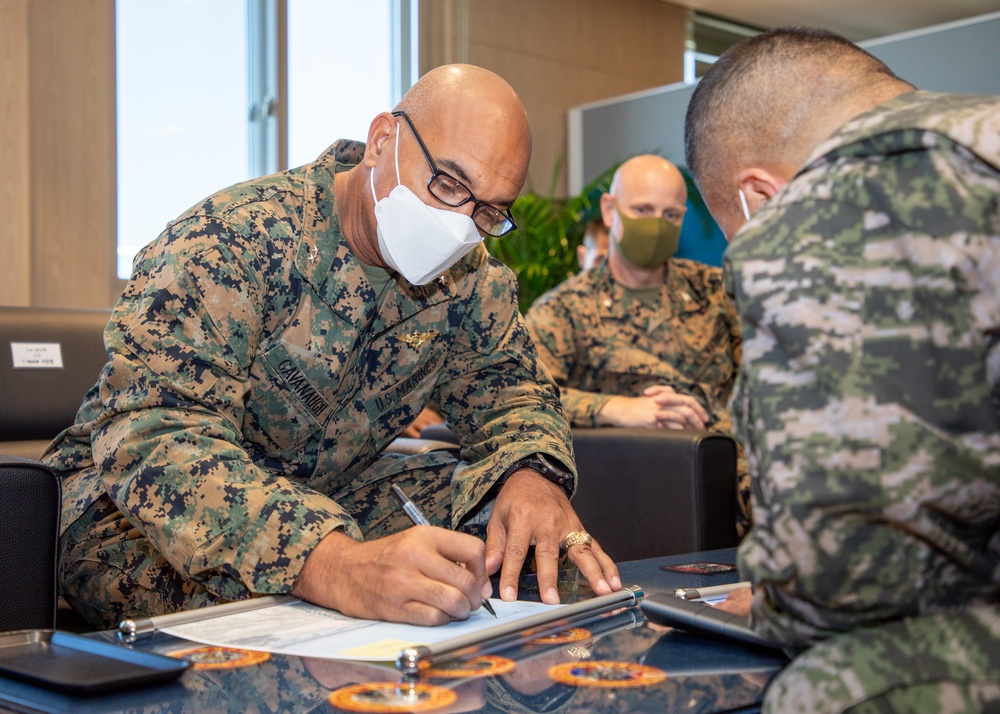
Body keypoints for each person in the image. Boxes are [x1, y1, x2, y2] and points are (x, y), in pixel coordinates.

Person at [45, 64, 620, 630]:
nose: (459, 225)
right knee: (252, 610)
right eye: (447, 184)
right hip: (127, 505)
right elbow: (154, 435)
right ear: (382, 141)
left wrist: (530, 476)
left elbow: (512, 391)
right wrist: (337, 566)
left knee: (504, 536)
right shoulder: (230, 238)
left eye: (489, 211)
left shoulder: (472, 280)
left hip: (322, 494)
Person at [685, 27, 1000, 712]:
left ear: (760, 198)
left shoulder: (832, 210)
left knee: (827, 685)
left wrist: (777, 600)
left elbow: (846, 573)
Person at [524, 154, 749, 534]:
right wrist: (619, 408)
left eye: (671, 216)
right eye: (642, 210)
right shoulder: (563, 309)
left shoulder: (717, 290)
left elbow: (767, 374)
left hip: (741, 460)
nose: (656, 226)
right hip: (643, 484)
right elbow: (528, 397)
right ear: (610, 211)